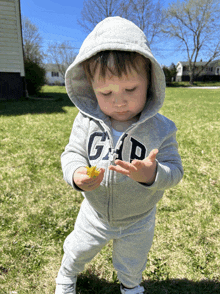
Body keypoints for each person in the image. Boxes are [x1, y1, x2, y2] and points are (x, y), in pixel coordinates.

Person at [55, 16, 183, 294]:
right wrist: (76, 174)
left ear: (150, 82)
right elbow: (72, 153)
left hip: (139, 217)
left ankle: (130, 285)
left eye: (130, 89)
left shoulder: (161, 128)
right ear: (91, 89)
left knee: (133, 261)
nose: (119, 100)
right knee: (78, 250)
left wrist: (153, 175)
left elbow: (175, 169)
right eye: (106, 92)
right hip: (95, 214)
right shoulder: (85, 122)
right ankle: (66, 276)